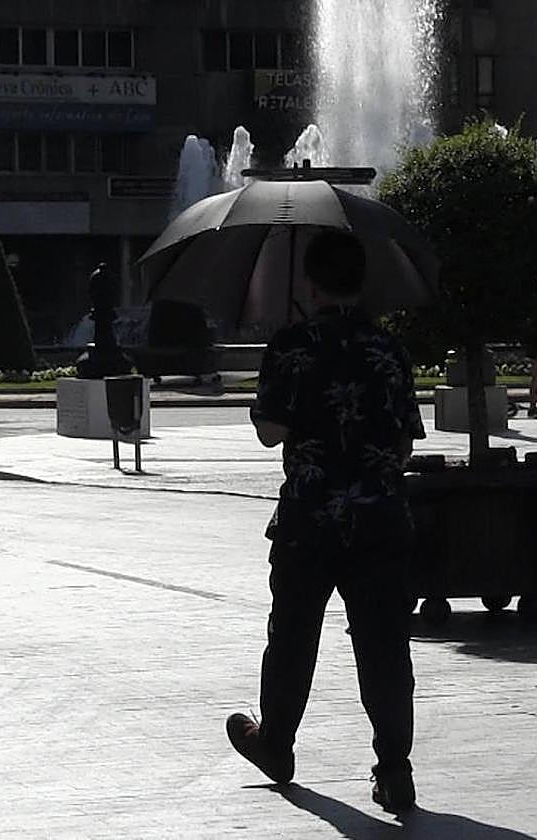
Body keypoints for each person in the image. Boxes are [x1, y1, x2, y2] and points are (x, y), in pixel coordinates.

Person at [225, 229, 426, 813]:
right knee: (385, 646)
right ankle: (395, 770)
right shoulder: (388, 350)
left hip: (310, 519)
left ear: (310, 284)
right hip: (381, 520)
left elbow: (270, 432)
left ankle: (278, 745)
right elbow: (405, 445)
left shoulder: (292, 344)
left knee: (292, 635)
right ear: (360, 282)